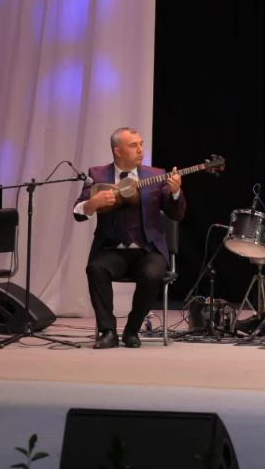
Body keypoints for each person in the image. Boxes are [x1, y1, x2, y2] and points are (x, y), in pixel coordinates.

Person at [73, 128, 185, 349]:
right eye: (134, 145)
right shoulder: (97, 175)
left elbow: (176, 214)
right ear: (118, 151)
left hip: (148, 250)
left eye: (141, 144)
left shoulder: (155, 175)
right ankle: (107, 331)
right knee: (95, 269)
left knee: (152, 274)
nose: (140, 149)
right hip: (112, 250)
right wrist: (92, 204)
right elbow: (78, 213)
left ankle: (132, 330)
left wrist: (175, 192)